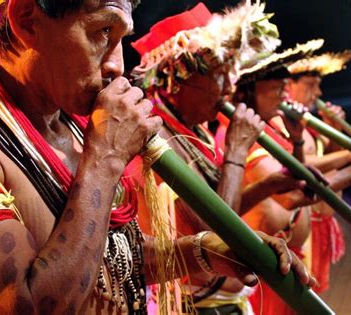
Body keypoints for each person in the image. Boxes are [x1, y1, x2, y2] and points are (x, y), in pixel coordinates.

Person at [0, 0, 313, 314]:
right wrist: (106, 159)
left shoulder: (76, 121)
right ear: (27, 20)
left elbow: (111, 260)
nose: (116, 65)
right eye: (102, 31)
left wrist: (207, 251)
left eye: (121, 38)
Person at [130, 2, 314, 314]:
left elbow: (218, 205)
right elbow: (218, 234)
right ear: (178, 74)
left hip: (228, 301)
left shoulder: (195, 130)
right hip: (194, 307)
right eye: (221, 75)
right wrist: (237, 151)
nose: (229, 89)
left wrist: (267, 186)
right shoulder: (158, 139)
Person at [225, 46, 351, 314]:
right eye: (278, 88)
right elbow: (291, 196)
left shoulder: (270, 129)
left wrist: (298, 140)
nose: (284, 95)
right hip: (267, 261)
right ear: (249, 89)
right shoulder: (242, 134)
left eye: (284, 87)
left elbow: (297, 175)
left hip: (287, 252)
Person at [285, 51, 351, 294]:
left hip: (322, 223)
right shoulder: (282, 122)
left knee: (314, 297)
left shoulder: (309, 122)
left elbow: (328, 161)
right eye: (311, 85)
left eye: (319, 86)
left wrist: (335, 132)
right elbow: (296, 165)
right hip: (305, 226)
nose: (319, 93)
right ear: (288, 85)